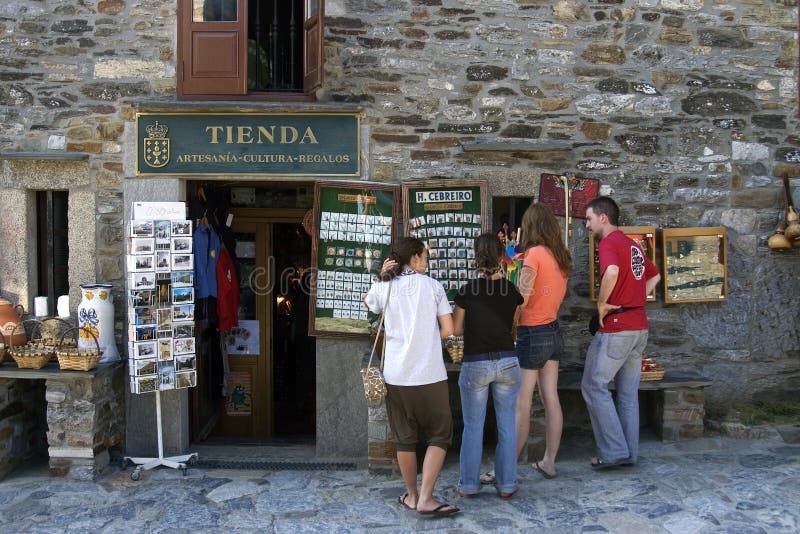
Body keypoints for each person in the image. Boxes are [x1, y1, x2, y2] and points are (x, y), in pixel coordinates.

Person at [364, 237, 458, 517]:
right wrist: (427, 340)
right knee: (440, 434)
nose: (426, 262)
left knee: (405, 438)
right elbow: (449, 329)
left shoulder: (385, 286)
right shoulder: (433, 286)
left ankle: (412, 496)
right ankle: (427, 498)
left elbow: (368, 303)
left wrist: (382, 276)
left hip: (396, 375)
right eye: (425, 257)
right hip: (430, 374)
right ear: (415, 258)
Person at [581, 196, 660, 469]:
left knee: (594, 386)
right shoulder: (633, 245)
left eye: (589, 219)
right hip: (639, 326)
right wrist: (635, 298)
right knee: (627, 394)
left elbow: (612, 271)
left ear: (603, 217)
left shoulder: (610, 243)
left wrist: (603, 303)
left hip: (617, 328)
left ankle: (614, 451)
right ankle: (629, 454)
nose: (587, 226)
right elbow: (655, 275)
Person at [453, 234, 523, 500]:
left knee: (473, 426)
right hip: (508, 360)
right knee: (507, 424)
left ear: (476, 256)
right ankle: (507, 484)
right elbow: (514, 326)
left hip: (476, 362)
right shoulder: (512, 291)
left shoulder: (468, 291)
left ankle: (469, 485)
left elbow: (457, 330)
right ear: (500, 256)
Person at [513, 203, 572, 479]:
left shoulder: (534, 254)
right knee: (551, 397)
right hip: (553, 329)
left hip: (532, 330)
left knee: (522, 400)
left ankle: (508, 463)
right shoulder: (561, 257)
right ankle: (549, 461)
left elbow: (521, 299)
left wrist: (509, 320)